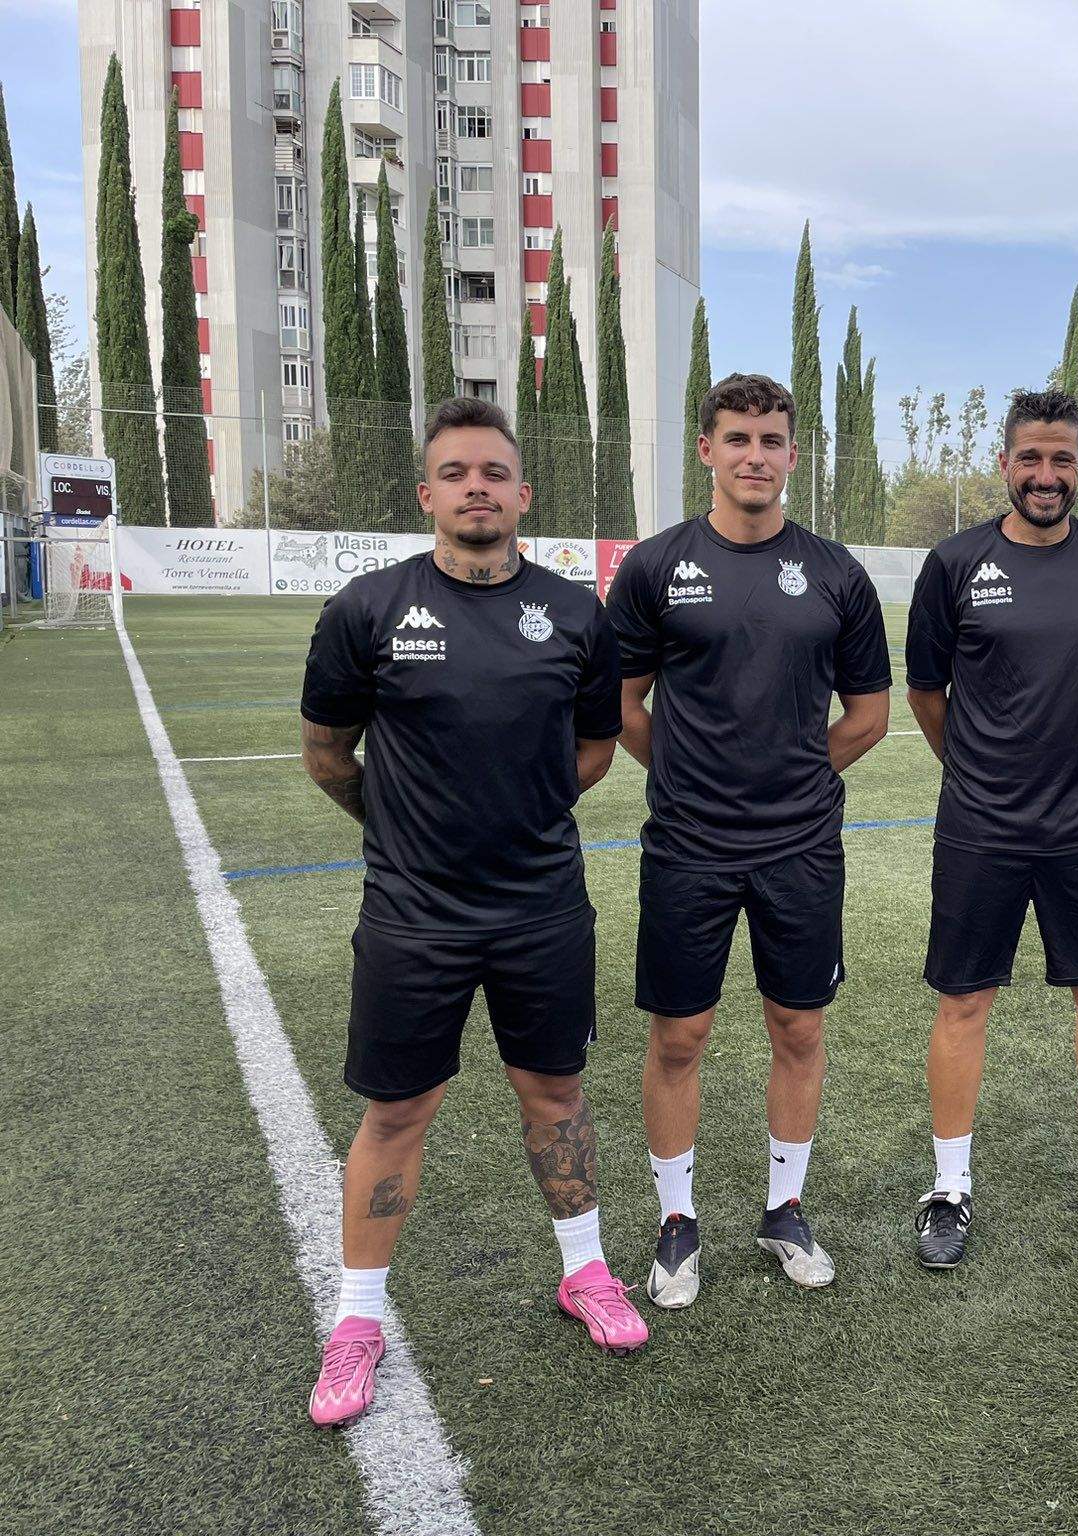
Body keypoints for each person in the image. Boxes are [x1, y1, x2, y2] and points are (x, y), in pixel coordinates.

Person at [300, 396, 641, 1430]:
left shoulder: (577, 614)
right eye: (455, 473)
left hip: (541, 905)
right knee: (398, 1109)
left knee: (556, 1092)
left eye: (493, 472)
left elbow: (590, 750)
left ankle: (583, 1272)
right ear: (427, 495)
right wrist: (403, 828)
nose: (476, 487)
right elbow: (328, 754)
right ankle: (358, 1319)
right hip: (413, 913)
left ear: (522, 492)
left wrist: (522, 816)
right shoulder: (366, 610)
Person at [607, 373, 892, 1307]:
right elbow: (623, 705)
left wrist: (800, 775)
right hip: (687, 844)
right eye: (737, 440)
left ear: (794, 454)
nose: (755, 457)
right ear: (706, 450)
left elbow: (871, 714)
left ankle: (784, 1207)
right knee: (680, 1033)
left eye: (772, 440)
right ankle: (677, 1223)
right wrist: (686, 774)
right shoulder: (655, 567)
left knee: (797, 1024)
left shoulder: (838, 574)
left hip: (801, 845)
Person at [904, 388, 1078, 1269]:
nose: (1045, 475)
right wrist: (980, 771)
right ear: (1006, 464)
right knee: (963, 1000)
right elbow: (927, 693)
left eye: (1062, 459)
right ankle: (949, 1189)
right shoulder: (953, 563)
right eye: (1031, 458)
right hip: (980, 824)